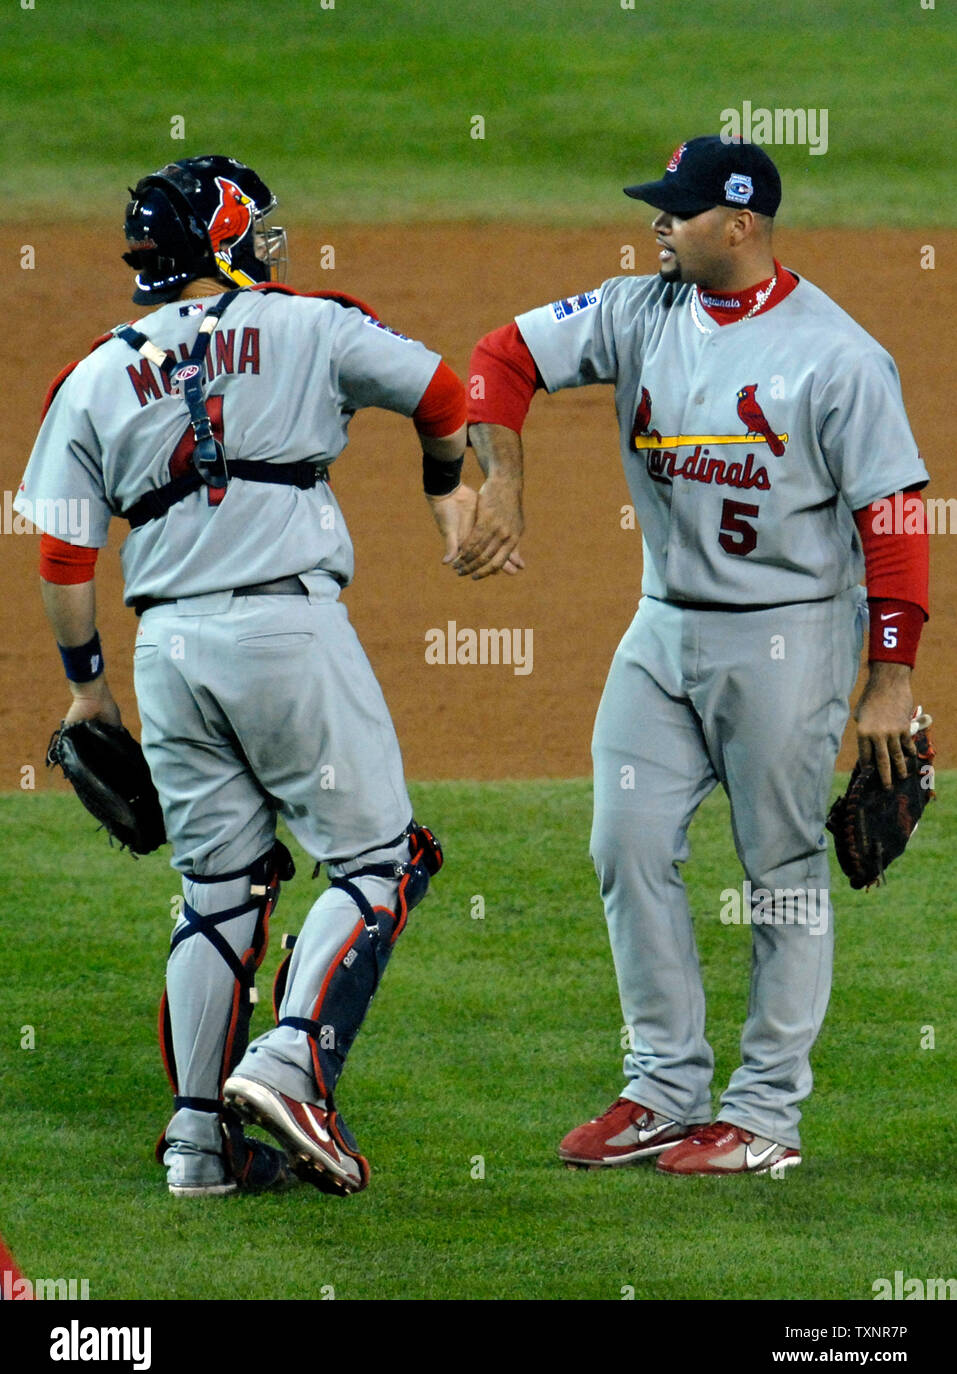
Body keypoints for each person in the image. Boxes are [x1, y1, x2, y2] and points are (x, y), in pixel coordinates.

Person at [458, 136, 929, 1175]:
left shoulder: (837, 354)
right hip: (662, 624)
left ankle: (765, 1113)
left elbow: (895, 511)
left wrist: (890, 679)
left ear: (741, 224)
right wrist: (503, 482)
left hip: (791, 636)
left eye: (676, 210)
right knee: (623, 842)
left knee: (781, 876)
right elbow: (502, 357)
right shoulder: (638, 309)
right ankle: (665, 1088)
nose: (655, 224)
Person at [17, 154, 473, 1197]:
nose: (270, 247)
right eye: (254, 231)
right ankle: (290, 1061)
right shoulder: (308, 320)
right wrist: (446, 490)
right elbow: (443, 392)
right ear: (219, 240)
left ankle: (197, 1150)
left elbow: (63, 558)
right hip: (285, 630)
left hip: (168, 651)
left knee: (217, 890)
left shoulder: (88, 377)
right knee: (380, 859)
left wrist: (89, 690)